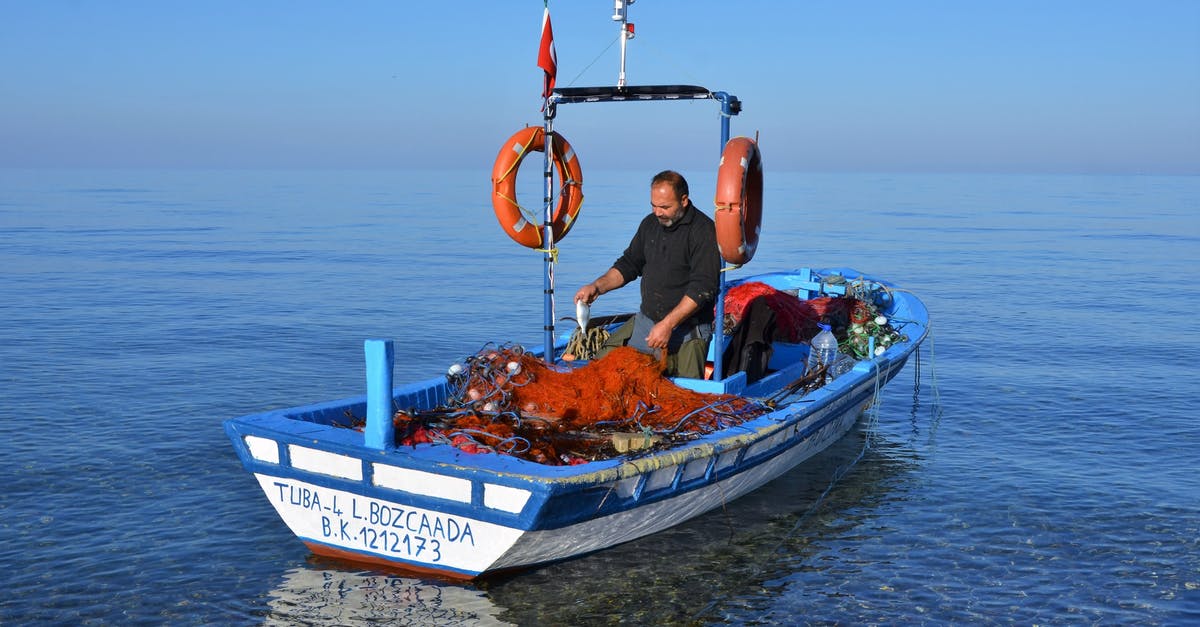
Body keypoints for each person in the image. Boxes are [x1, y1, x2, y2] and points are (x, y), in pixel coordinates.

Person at [574, 170, 720, 378]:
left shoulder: (704, 231)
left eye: (665, 207)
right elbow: (629, 264)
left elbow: (702, 288)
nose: (658, 212)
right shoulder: (650, 224)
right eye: (654, 205)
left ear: (684, 200)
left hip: (688, 331)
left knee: (681, 398)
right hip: (647, 323)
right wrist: (597, 287)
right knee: (607, 372)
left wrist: (668, 325)